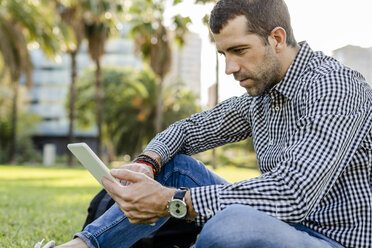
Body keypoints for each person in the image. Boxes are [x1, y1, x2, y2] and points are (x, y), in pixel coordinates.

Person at [42, 0, 372, 247]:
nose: (230, 67)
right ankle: (82, 246)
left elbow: (292, 193)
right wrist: (147, 163)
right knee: (175, 166)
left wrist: (172, 201)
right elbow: (186, 130)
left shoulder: (335, 87)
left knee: (228, 227)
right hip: (278, 224)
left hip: (331, 240)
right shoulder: (263, 94)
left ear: (277, 38)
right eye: (224, 54)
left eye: (239, 50)